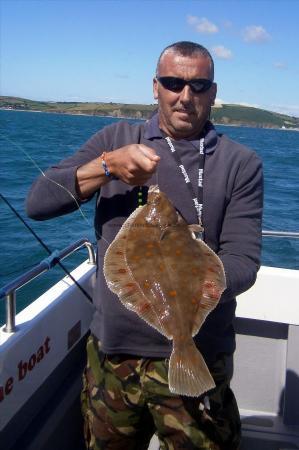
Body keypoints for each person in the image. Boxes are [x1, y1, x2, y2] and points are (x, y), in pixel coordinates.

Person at [26, 41, 263, 450]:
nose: (185, 96)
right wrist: (106, 167)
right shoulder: (117, 137)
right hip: (114, 357)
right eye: (173, 83)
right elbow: (38, 203)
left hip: (200, 355)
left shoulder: (241, 163)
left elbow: (243, 262)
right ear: (155, 87)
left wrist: (199, 278)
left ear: (213, 93)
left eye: (199, 85)